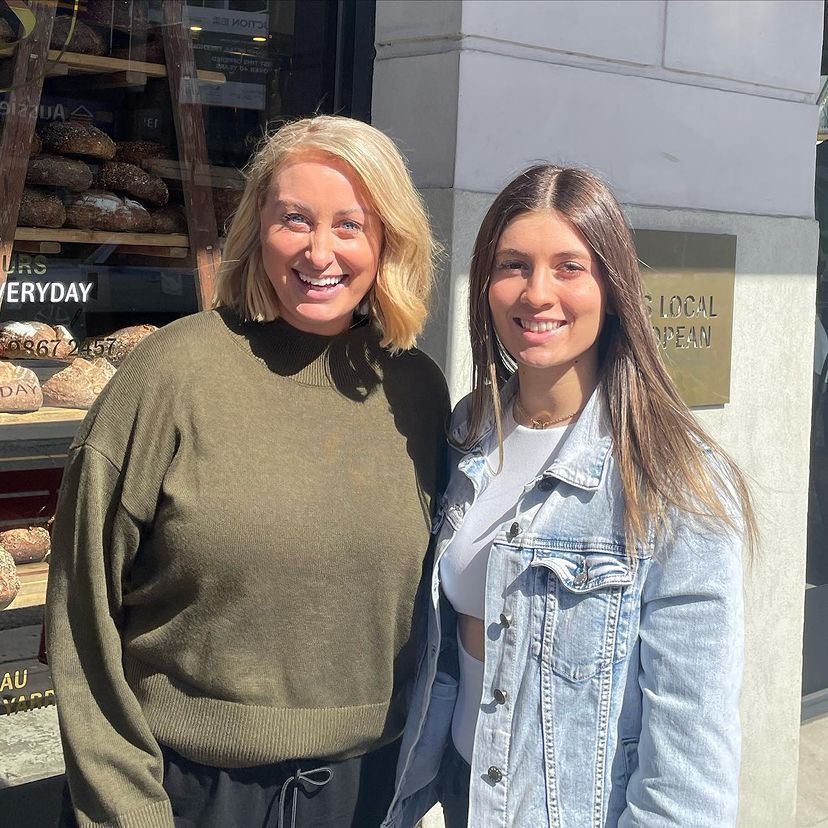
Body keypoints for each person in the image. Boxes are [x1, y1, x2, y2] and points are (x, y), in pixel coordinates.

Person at [46, 115, 450, 828]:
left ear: (389, 239)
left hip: (371, 793)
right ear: (256, 228)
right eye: (295, 219)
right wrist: (122, 810)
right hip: (187, 794)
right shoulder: (168, 376)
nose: (319, 251)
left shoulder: (417, 390)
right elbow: (82, 614)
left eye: (349, 225)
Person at [382, 165, 755, 828]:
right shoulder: (470, 430)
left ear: (613, 289)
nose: (537, 293)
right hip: (462, 793)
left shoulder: (673, 479)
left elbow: (690, 768)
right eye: (513, 265)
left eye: (569, 268)